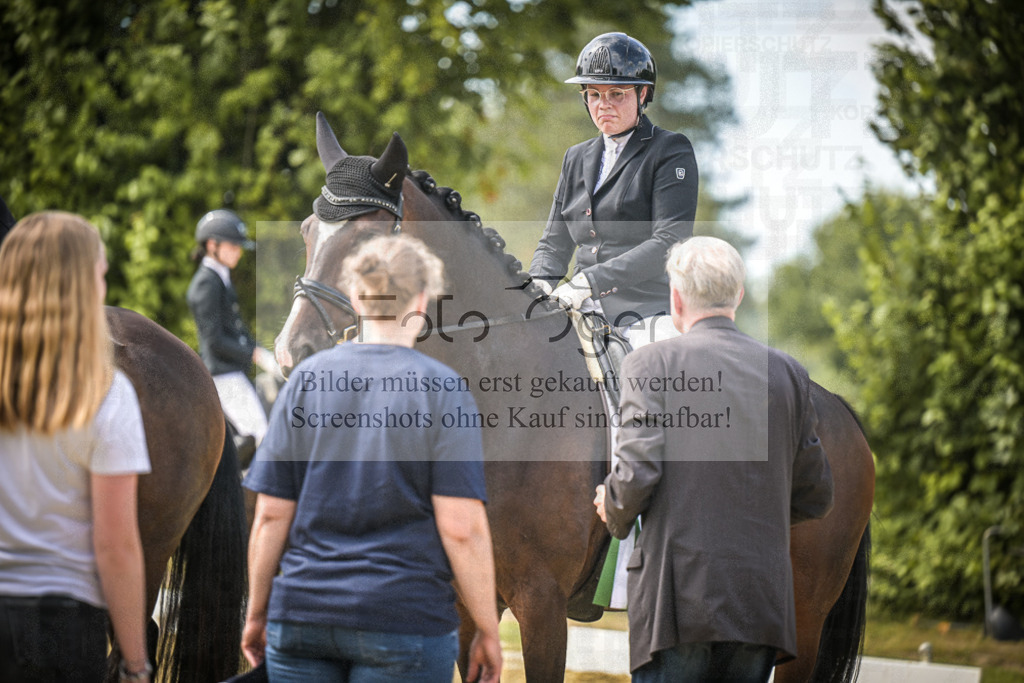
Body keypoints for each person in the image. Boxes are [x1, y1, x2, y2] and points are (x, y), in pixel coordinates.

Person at [241, 234, 502, 682]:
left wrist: (259, 609)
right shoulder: (444, 391)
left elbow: (269, 515)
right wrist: (488, 628)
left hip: (302, 615)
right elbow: (461, 528)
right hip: (404, 621)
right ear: (422, 300)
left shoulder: (306, 380)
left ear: (357, 299)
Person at [593, 236, 835, 682]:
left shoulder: (649, 365)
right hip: (760, 605)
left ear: (676, 297)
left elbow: (637, 472)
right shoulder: (788, 374)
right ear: (738, 295)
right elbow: (816, 495)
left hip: (677, 605)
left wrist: (611, 504)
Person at [0, 212, 152, 683]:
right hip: (62, 626)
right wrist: (135, 664)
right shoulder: (108, 391)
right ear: (82, 284)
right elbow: (116, 546)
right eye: (100, 274)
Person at [529, 31, 699, 350]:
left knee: (663, 378)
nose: (603, 105)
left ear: (643, 94)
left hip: (645, 313)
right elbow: (554, 243)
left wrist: (590, 282)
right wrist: (536, 287)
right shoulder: (576, 157)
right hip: (577, 307)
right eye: (594, 94)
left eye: (616, 94)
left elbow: (668, 242)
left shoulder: (670, 150)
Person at [187, 208, 278, 458]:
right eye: (233, 246)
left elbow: (236, 328)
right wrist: (255, 355)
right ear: (212, 245)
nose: (238, 251)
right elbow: (214, 340)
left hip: (233, 372)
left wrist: (261, 351)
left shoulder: (220, 278)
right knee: (261, 438)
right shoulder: (206, 283)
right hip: (222, 375)